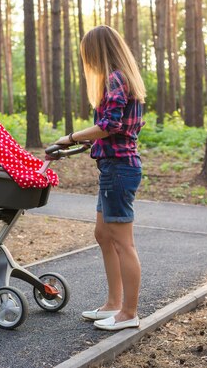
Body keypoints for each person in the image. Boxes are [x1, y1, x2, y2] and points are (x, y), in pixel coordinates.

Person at [54, 25, 145, 331]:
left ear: (97, 52)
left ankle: (129, 314)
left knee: (122, 242)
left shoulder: (116, 78)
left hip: (119, 169)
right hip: (112, 167)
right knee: (103, 235)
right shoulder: (121, 78)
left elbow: (109, 125)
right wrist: (80, 143)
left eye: (87, 54)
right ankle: (113, 304)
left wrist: (70, 137)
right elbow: (110, 132)